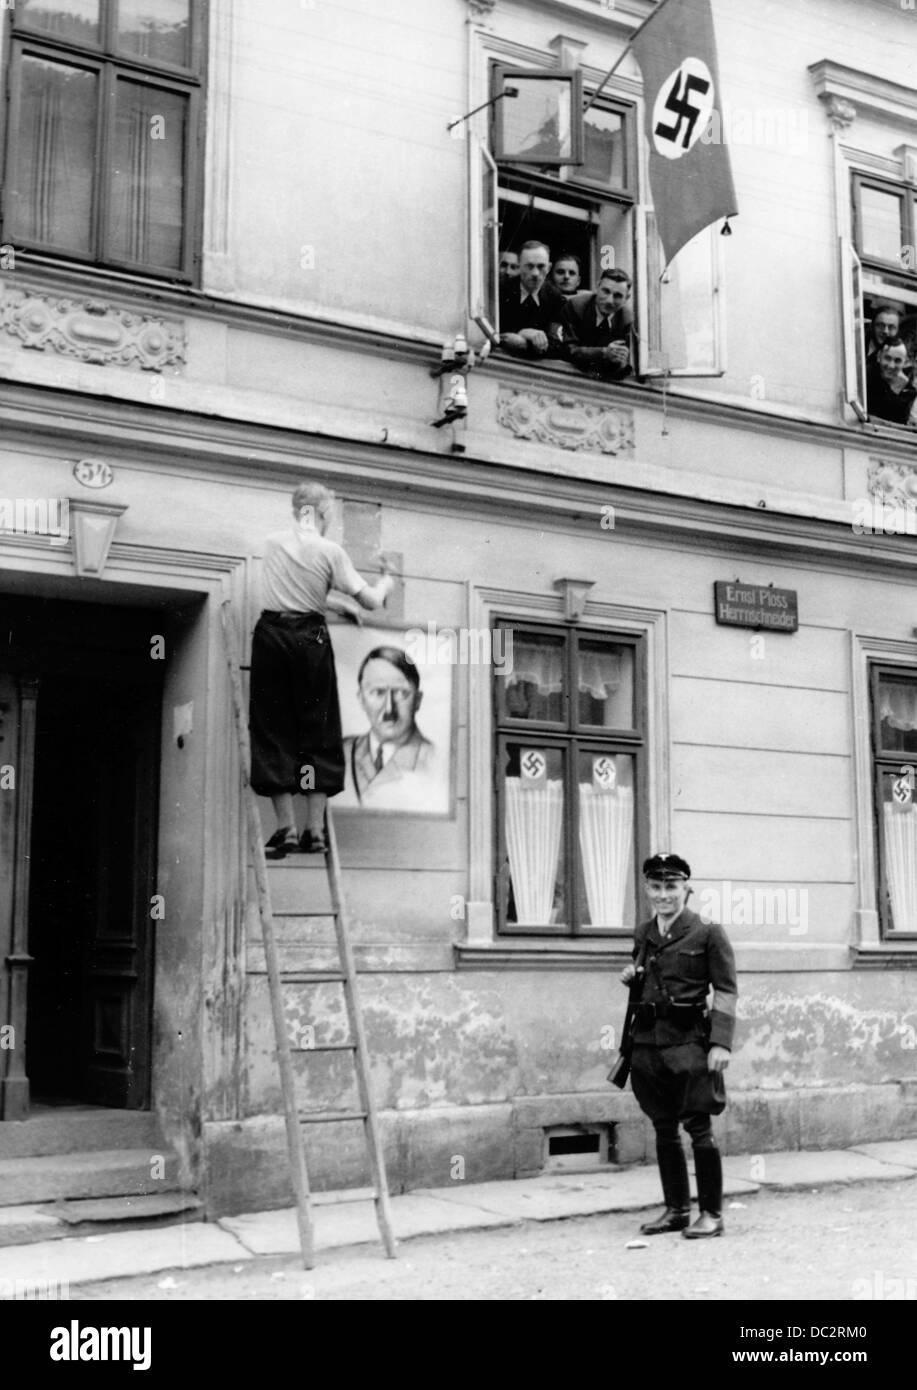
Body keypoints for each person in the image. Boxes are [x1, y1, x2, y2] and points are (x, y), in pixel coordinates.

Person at [249, 482, 394, 857]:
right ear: (321, 514)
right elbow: (374, 602)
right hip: (310, 639)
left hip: (272, 637)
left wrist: (334, 603)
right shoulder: (331, 551)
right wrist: (388, 578)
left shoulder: (272, 543)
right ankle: (315, 830)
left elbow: (294, 589)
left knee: (272, 729)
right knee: (318, 727)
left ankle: (286, 829)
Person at [620, 853, 737, 1240]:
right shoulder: (643, 932)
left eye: (671, 887)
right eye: (656, 887)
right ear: (647, 889)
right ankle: (676, 1210)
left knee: (699, 1128)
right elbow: (647, 977)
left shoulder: (707, 930)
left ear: (687, 888)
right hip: (648, 1043)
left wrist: (720, 1043)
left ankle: (712, 1214)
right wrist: (631, 977)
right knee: (663, 1127)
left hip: (689, 1041)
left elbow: (725, 989)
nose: (663, 895)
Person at [341, 647, 438, 809]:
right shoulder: (339, 753)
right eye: (378, 692)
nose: (388, 709)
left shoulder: (436, 761)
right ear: (361, 699)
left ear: (418, 700)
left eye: (401, 693)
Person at [497, 239, 565, 359]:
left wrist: (525, 343)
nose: (535, 273)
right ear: (519, 265)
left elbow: (558, 347)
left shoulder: (556, 300)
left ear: (549, 267)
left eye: (541, 266)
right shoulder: (501, 291)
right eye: (529, 266)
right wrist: (523, 333)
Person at [563, 269, 634, 380]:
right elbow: (568, 351)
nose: (610, 301)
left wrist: (619, 361)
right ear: (597, 287)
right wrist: (604, 353)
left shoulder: (626, 318)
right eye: (605, 291)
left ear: (626, 298)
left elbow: (622, 368)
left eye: (618, 296)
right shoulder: (576, 307)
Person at [866, 339, 917, 426]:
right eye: (887, 358)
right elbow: (870, 415)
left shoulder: (908, 389)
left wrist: (895, 391)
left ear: (905, 363)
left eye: (897, 361)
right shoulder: (867, 375)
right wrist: (894, 391)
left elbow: (896, 421)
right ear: (878, 357)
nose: (891, 366)